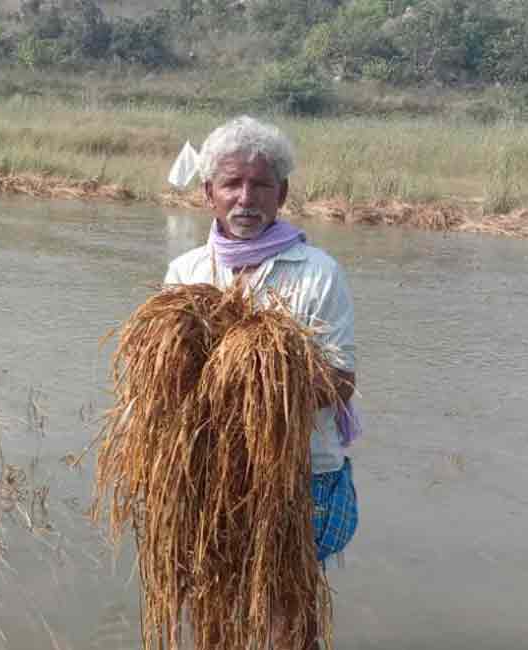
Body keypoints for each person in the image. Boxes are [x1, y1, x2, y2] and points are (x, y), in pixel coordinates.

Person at [163, 115, 360, 573]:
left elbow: (342, 383)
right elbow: (166, 379)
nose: (246, 199)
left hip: (299, 471)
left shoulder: (317, 272)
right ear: (208, 192)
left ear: (283, 194)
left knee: (293, 610)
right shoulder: (186, 273)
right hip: (208, 469)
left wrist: (250, 375)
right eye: (232, 184)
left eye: (261, 185)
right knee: (216, 602)